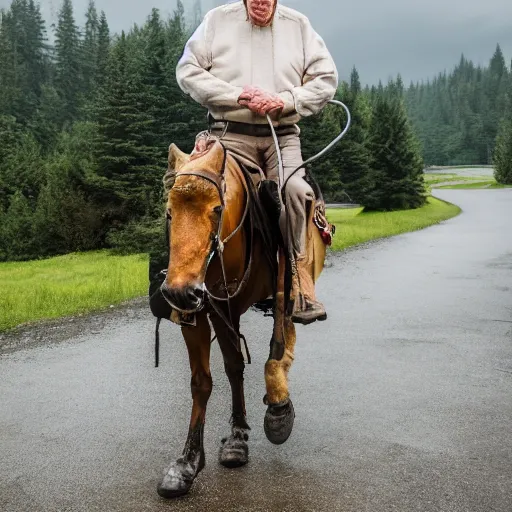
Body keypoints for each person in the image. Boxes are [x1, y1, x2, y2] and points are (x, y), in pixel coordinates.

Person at [172, 0, 338, 324]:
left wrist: (286, 100)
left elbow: (325, 80)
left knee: (295, 190)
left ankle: (299, 282)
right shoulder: (217, 20)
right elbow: (187, 71)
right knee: (197, 188)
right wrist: (236, 95)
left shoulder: (299, 25)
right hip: (229, 133)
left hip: (283, 135)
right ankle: (183, 283)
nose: (259, 3)